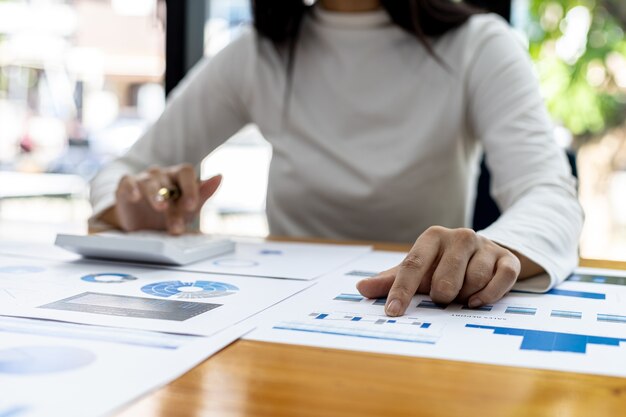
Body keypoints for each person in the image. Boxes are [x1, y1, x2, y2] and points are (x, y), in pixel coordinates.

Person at [90, 0, 583, 317]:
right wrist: (135, 206)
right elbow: (124, 172)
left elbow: (550, 194)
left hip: (423, 310)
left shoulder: (479, 44)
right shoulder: (259, 51)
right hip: (282, 317)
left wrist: (492, 249)